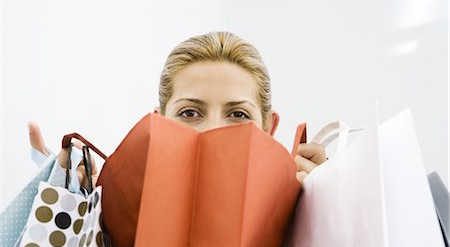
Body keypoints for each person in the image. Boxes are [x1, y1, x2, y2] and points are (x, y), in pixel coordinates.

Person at [28, 31, 327, 190]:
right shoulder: (112, 213)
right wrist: (67, 200)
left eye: (237, 114)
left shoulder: (301, 207)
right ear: (159, 124)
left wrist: (327, 207)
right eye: (190, 113)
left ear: (267, 128)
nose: (212, 131)